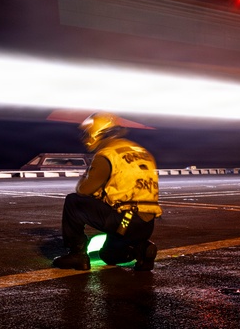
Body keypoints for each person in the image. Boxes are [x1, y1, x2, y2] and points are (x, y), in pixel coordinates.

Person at [53, 112, 161, 271]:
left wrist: (91, 179)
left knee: (73, 201)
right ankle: (142, 249)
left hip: (124, 221)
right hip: (146, 224)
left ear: (95, 132)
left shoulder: (108, 154)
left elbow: (83, 189)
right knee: (109, 256)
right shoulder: (143, 152)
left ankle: (77, 255)